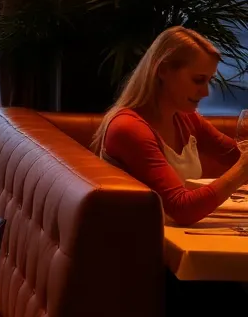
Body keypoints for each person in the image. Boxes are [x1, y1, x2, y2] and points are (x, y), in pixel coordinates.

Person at [93, 26, 248, 225]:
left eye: (209, 81)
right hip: (132, 246)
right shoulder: (128, 128)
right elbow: (181, 209)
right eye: (198, 80)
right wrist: (242, 169)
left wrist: (243, 163)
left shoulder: (185, 118)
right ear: (163, 70)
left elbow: (234, 154)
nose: (205, 92)